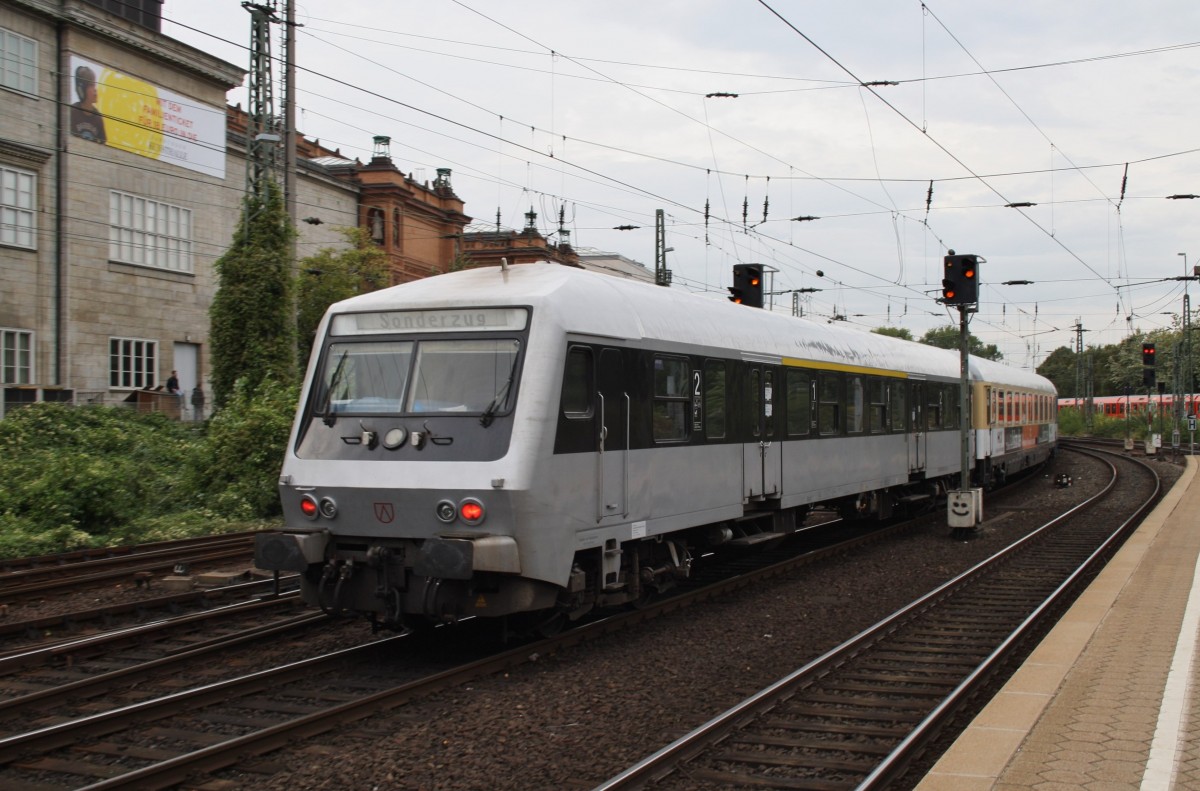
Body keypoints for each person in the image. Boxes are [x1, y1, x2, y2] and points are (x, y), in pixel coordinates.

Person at [70, 66, 107, 144]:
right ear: (82, 90)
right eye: (91, 85)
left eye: (95, 85)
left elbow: (103, 144)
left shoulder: (98, 117)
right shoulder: (72, 112)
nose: (95, 89)